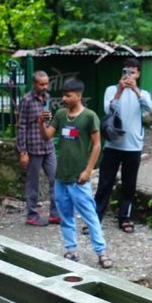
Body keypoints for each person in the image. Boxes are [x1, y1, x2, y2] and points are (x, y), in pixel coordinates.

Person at [40, 77, 111, 268]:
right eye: (63, 95)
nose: (64, 98)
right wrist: (41, 122)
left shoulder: (89, 116)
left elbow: (97, 145)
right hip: (61, 176)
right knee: (65, 216)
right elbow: (47, 136)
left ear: (78, 96)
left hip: (79, 178)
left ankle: (101, 252)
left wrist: (88, 170)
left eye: (68, 95)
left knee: (90, 216)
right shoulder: (60, 115)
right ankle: (71, 250)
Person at [95, 60, 152, 233]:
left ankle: (125, 218)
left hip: (133, 145)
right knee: (105, 183)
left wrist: (135, 90)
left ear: (138, 74)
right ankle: (95, 219)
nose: (129, 76)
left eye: (133, 73)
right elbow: (108, 110)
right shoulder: (111, 90)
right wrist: (120, 91)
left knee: (129, 184)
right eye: (126, 72)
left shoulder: (142, 93)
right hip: (113, 144)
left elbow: (150, 109)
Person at [15, 71, 59, 227]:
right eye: (42, 84)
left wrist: (47, 119)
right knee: (33, 183)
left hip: (48, 145)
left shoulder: (47, 97)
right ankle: (32, 215)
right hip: (33, 147)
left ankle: (55, 214)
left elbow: (49, 121)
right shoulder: (26, 100)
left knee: (56, 179)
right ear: (34, 84)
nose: (45, 87)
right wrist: (23, 151)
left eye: (46, 84)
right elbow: (21, 126)